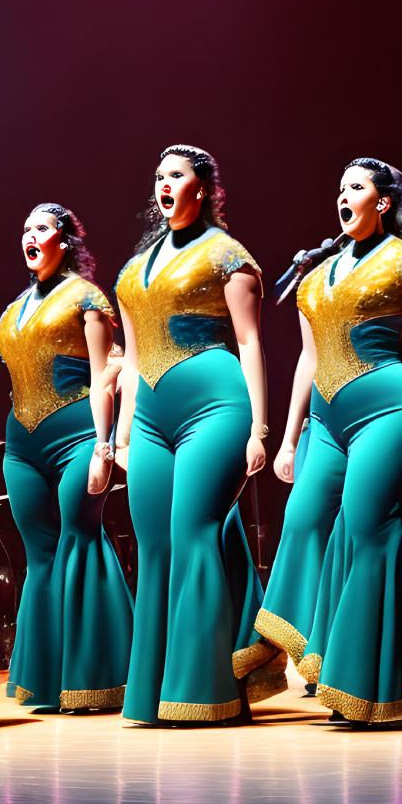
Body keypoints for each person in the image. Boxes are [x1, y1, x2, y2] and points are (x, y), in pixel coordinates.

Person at [268, 160, 402, 726]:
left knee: (364, 526)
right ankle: (325, 654)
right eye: (339, 188)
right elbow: (308, 360)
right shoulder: (315, 276)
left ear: (383, 202)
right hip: (327, 423)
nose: (343, 195)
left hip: (391, 408)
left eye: (356, 187)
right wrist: (288, 440)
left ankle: (364, 686)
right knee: (303, 519)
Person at [113, 146, 285, 724]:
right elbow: (133, 361)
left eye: (177, 175)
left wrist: (261, 426)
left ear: (203, 188)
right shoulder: (135, 270)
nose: (164, 185)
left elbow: (250, 344)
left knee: (192, 533)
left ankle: (205, 691)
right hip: (149, 419)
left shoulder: (228, 256)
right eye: (158, 175)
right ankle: (156, 692)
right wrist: (117, 439)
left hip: (217, 404)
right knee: (155, 544)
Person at [0, 203, 132, 712]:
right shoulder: (15, 307)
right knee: (40, 554)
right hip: (22, 444)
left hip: (78, 434)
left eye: (41, 228)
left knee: (80, 538)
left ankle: (97, 676)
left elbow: (107, 372)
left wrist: (106, 446)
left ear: (64, 240)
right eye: (24, 229)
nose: (30, 237)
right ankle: (46, 679)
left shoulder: (87, 299)